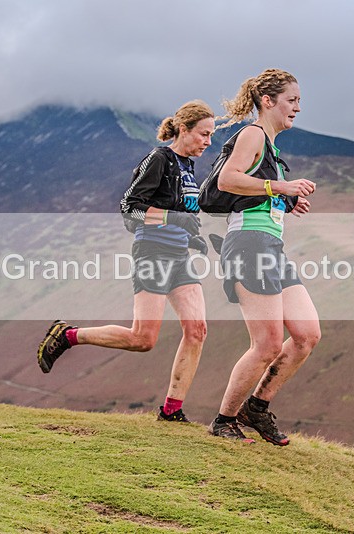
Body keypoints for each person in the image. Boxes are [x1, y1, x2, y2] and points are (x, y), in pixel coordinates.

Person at [37, 100, 215, 423]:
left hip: (179, 257)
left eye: (211, 136)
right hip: (152, 254)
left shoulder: (189, 166)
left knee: (198, 329)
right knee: (143, 339)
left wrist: (191, 235)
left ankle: (171, 412)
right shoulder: (159, 159)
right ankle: (68, 335)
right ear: (184, 129)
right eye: (203, 134)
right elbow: (129, 208)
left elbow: (179, 214)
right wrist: (175, 220)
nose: (208, 142)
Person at [208, 69, 321, 444]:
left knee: (306, 335)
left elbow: (253, 192)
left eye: (299, 101)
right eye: (292, 100)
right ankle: (224, 420)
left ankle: (256, 408)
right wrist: (280, 185)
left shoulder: (271, 147)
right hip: (248, 245)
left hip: (271, 245)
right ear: (268, 101)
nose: (298, 108)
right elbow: (228, 179)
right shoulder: (253, 134)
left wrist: (286, 201)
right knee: (268, 344)